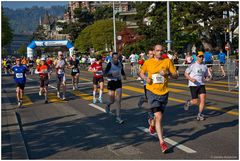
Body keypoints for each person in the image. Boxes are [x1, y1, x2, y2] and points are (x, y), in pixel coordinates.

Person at [139, 44, 178, 153]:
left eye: (161, 50)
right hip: (151, 91)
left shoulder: (167, 62)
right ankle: (162, 142)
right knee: (159, 116)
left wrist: (167, 73)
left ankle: (151, 125)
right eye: (157, 50)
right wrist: (146, 78)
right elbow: (141, 73)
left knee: (157, 118)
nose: (160, 52)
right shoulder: (148, 62)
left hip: (164, 92)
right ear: (154, 51)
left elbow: (176, 75)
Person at [184, 51, 210, 121]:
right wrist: (191, 79)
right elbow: (186, 74)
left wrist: (207, 78)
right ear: (197, 57)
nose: (201, 58)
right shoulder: (192, 65)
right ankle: (189, 102)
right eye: (200, 56)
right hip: (193, 85)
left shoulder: (204, 66)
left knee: (203, 100)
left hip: (201, 84)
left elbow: (206, 75)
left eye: (202, 56)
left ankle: (199, 114)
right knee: (195, 101)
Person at [104, 52, 127, 124]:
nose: (116, 59)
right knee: (112, 101)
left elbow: (122, 70)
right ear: (112, 58)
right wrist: (111, 74)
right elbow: (104, 74)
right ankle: (108, 104)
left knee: (118, 100)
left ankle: (118, 117)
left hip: (118, 82)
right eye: (114, 58)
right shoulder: (110, 64)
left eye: (117, 58)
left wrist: (124, 75)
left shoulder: (120, 63)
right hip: (111, 82)